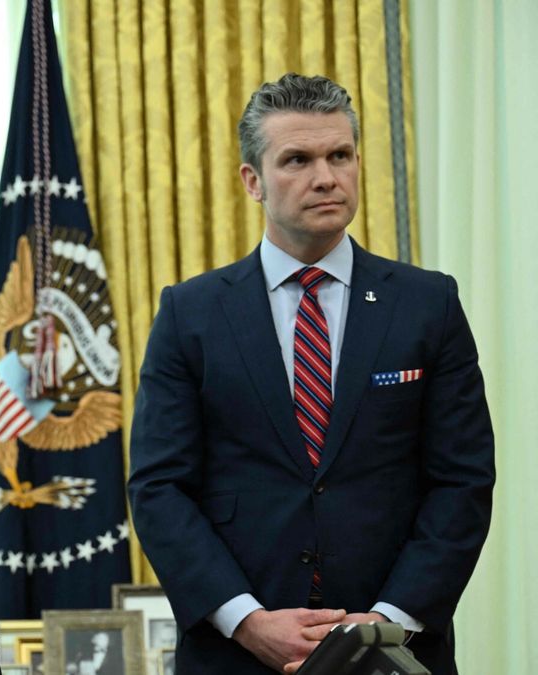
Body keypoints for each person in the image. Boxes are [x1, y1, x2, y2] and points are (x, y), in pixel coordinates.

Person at [128, 73, 494, 675]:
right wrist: (244, 619)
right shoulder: (189, 313)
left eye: (340, 155)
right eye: (297, 159)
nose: (325, 177)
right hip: (238, 654)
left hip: (396, 648)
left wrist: (389, 622)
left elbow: (463, 480)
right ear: (254, 181)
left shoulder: (429, 305)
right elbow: (159, 488)